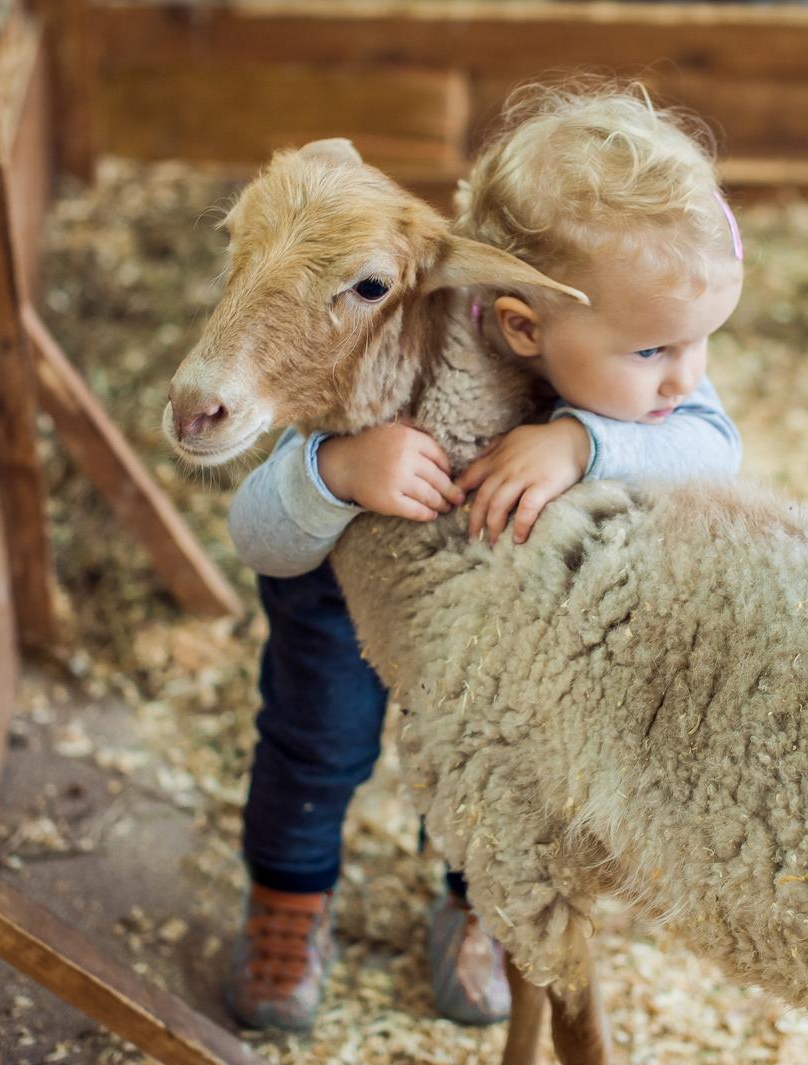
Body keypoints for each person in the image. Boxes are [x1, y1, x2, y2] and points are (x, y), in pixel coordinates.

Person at [222, 80, 747, 1032]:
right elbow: (255, 532)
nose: (687, 376)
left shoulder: (641, 373)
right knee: (316, 743)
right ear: (521, 325)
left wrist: (583, 441)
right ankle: (289, 899)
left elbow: (716, 449)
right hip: (344, 605)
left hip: (493, 620)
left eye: (702, 340)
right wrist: (337, 470)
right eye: (656, 352)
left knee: (497, 759)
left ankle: (478, 906)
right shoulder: (392, 331)